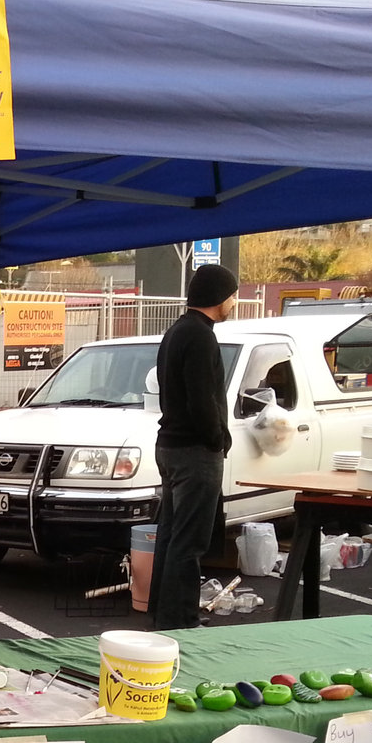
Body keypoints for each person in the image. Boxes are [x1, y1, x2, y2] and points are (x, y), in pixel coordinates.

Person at [147, 263, 239, 631]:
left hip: (170, 445)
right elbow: (203, 399)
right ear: (219, 297)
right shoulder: (201, 336)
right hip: (193, 451)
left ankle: (162, 613)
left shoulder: (176, 332)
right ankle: (181, 622)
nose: (234, 301)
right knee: (189, 541)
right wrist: (217, 438)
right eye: (232, 294)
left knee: (171, 535)